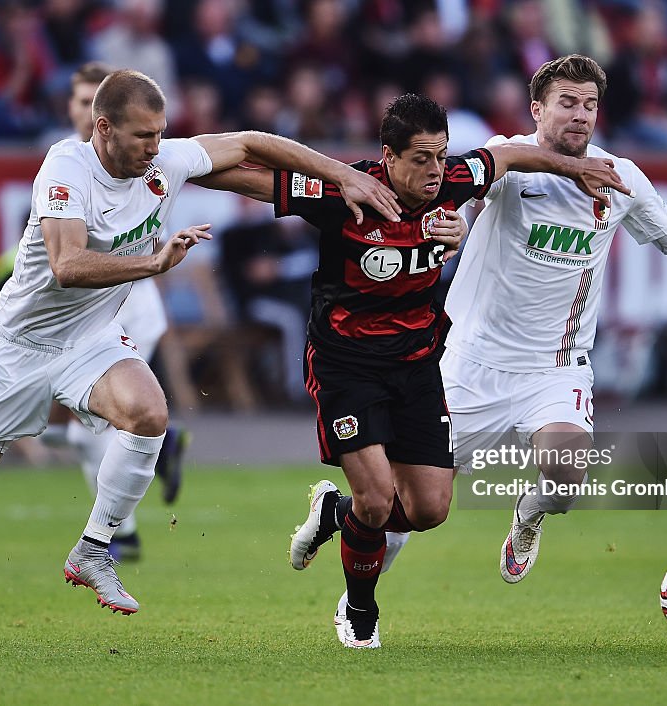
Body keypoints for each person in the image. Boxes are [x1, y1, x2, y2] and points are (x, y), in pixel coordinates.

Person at [0, 68, 402, 649]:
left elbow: (251, 146)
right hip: (15, 350)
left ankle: (94, 548)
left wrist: (343, 176)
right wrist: (153, 264)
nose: (156, 148)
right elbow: (67, 265)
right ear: (103, 129)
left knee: (150, 412)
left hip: (89, 340)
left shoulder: (162, 162)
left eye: (161, 134)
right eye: (143, 136)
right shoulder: (65, 168)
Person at [194, 92, 630, 648]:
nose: (433, 171)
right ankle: (359, 609)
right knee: (376, 502)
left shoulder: (452, 183)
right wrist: (171, 166)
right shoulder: (343, 192)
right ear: (388, 156)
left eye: (440, 155)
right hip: (345, 365)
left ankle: (334, 511)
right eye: (420, 158)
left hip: (418, 366)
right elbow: (240, 176)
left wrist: (579, 167)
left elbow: (515, 157)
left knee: (427, 510)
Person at [406, 54, 667, 588]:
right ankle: (355, 585)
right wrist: (447, 225)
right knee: (417, 507)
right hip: (473, 363)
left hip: (555, 367)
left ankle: (528, 513)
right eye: (567, 103)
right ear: (536, 108)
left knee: (566, 478)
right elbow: (456, 195)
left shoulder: (619, 177)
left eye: (590, 105)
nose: (581, 115)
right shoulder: (505, 159)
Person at [52, 61, 186, 561]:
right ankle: (163, 445)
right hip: (81, 312)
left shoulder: (141, 161)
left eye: (94, 99)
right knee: (71, 433)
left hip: (129, 308)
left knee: (93, 430)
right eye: (80, 100)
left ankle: (118, 536)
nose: (86, 110)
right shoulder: (66, 163)